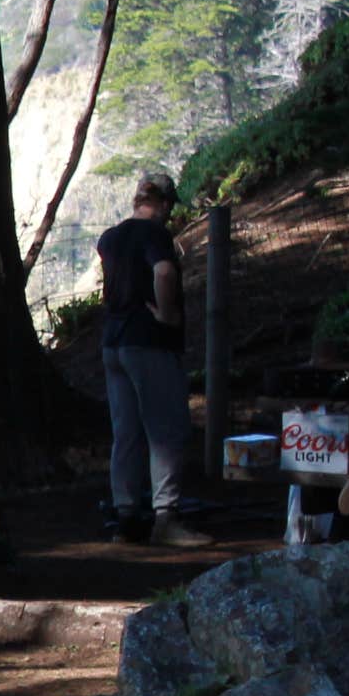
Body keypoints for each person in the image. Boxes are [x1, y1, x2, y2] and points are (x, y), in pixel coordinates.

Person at [95, 174, 207, 546]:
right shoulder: (155, 234)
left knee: (125, 432)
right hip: (149, 342)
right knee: (166, 429)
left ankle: (125, 519)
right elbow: (162, 271)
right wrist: (168, 313)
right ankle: (166, 518)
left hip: (114, 341)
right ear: (163, 203)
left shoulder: (110, 238)